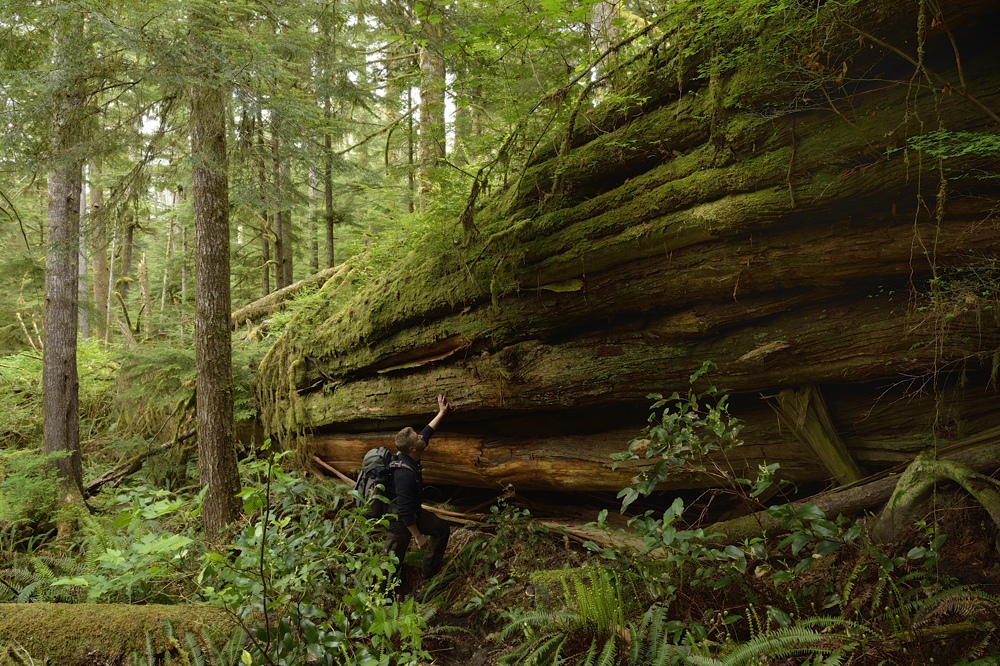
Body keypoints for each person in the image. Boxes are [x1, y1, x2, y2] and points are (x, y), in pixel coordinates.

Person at [384, 394, 451, 592]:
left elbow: (426, 433)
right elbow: (404, 511)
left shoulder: (411, 452)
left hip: (412, 512)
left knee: (441, 529)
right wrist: (418, 537)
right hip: (399, 519)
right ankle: (383, 597)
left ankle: (427, 576)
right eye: (417, 436)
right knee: (391, 562)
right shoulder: (403, 474)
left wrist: (441, 413)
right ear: (413, 447)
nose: (421, 436)